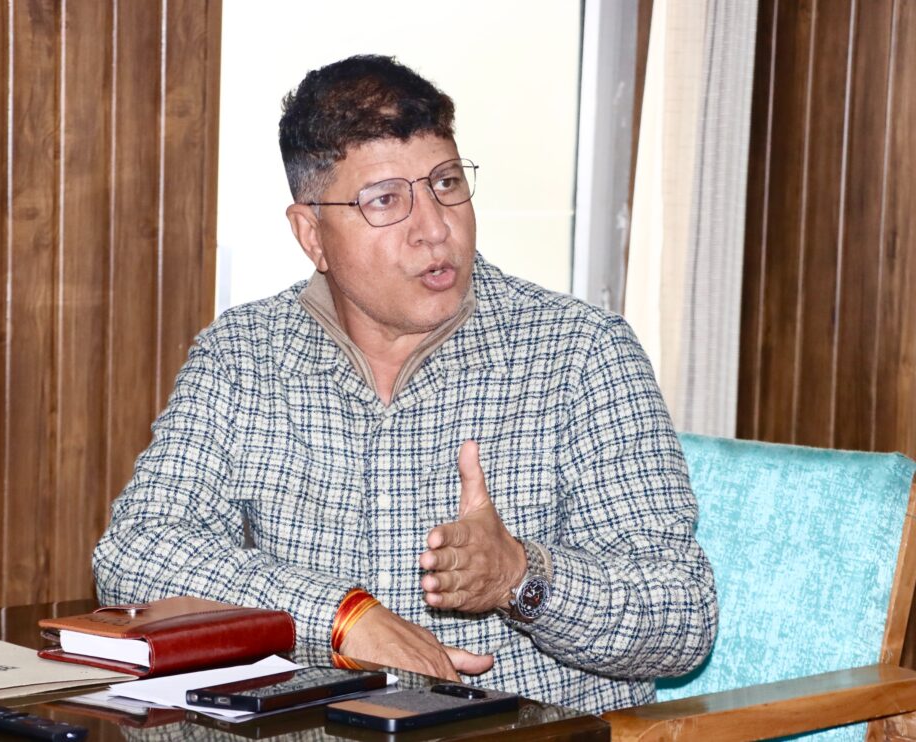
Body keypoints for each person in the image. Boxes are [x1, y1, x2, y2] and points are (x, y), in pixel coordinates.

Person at [93, 54, 717, 713]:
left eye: (447, 183)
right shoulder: (245, 355)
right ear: (312, 234)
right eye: (386, 199)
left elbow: (682, 617)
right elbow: (136, 553)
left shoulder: (581, 353)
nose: (435, 227)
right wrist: (342, 619)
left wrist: (520, 577)